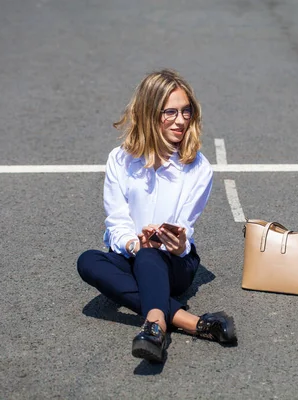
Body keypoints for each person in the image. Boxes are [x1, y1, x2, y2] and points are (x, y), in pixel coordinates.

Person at [77, 69, 237, 363]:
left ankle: (155, 327)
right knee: (88, 261)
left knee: (151, 256)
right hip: (132, 253)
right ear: (150, 113)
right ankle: (194, 322)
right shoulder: (120, 159)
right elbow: (116, 220)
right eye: (170, 112)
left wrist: (178, 245)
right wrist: (132, 244)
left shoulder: (198, 168)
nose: (180, 120)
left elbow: (185, 230)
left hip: (175, 263)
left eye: (186, 111)